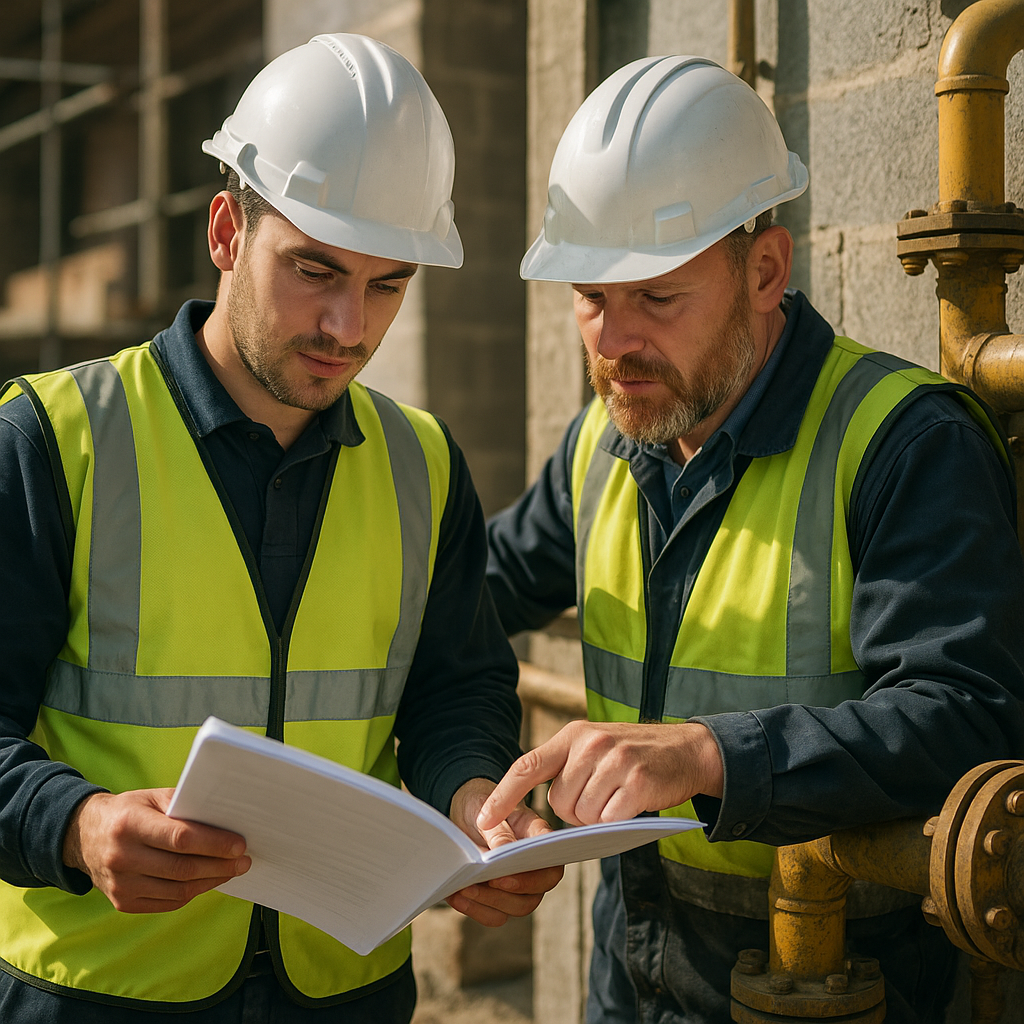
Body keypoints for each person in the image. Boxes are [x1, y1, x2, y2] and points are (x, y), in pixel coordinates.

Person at [0, 33, 560, 1023]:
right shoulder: (51, 441)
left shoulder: (422, 465)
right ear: (226, 229)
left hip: (345, 995)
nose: (349, 327)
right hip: (96, 997)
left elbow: (453, 691)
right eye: (315, 269)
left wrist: (473, 801)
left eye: (388, 284)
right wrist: (76, 823)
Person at [479, 54, 1024, 1024]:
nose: (611, 341)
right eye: (591, 298)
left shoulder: (902, 441)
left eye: (655, 296)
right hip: (633, 949)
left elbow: (967, 712)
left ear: (764, 270)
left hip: (838, 972)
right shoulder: (602, 444)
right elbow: (475, 595)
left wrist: (709, 756)